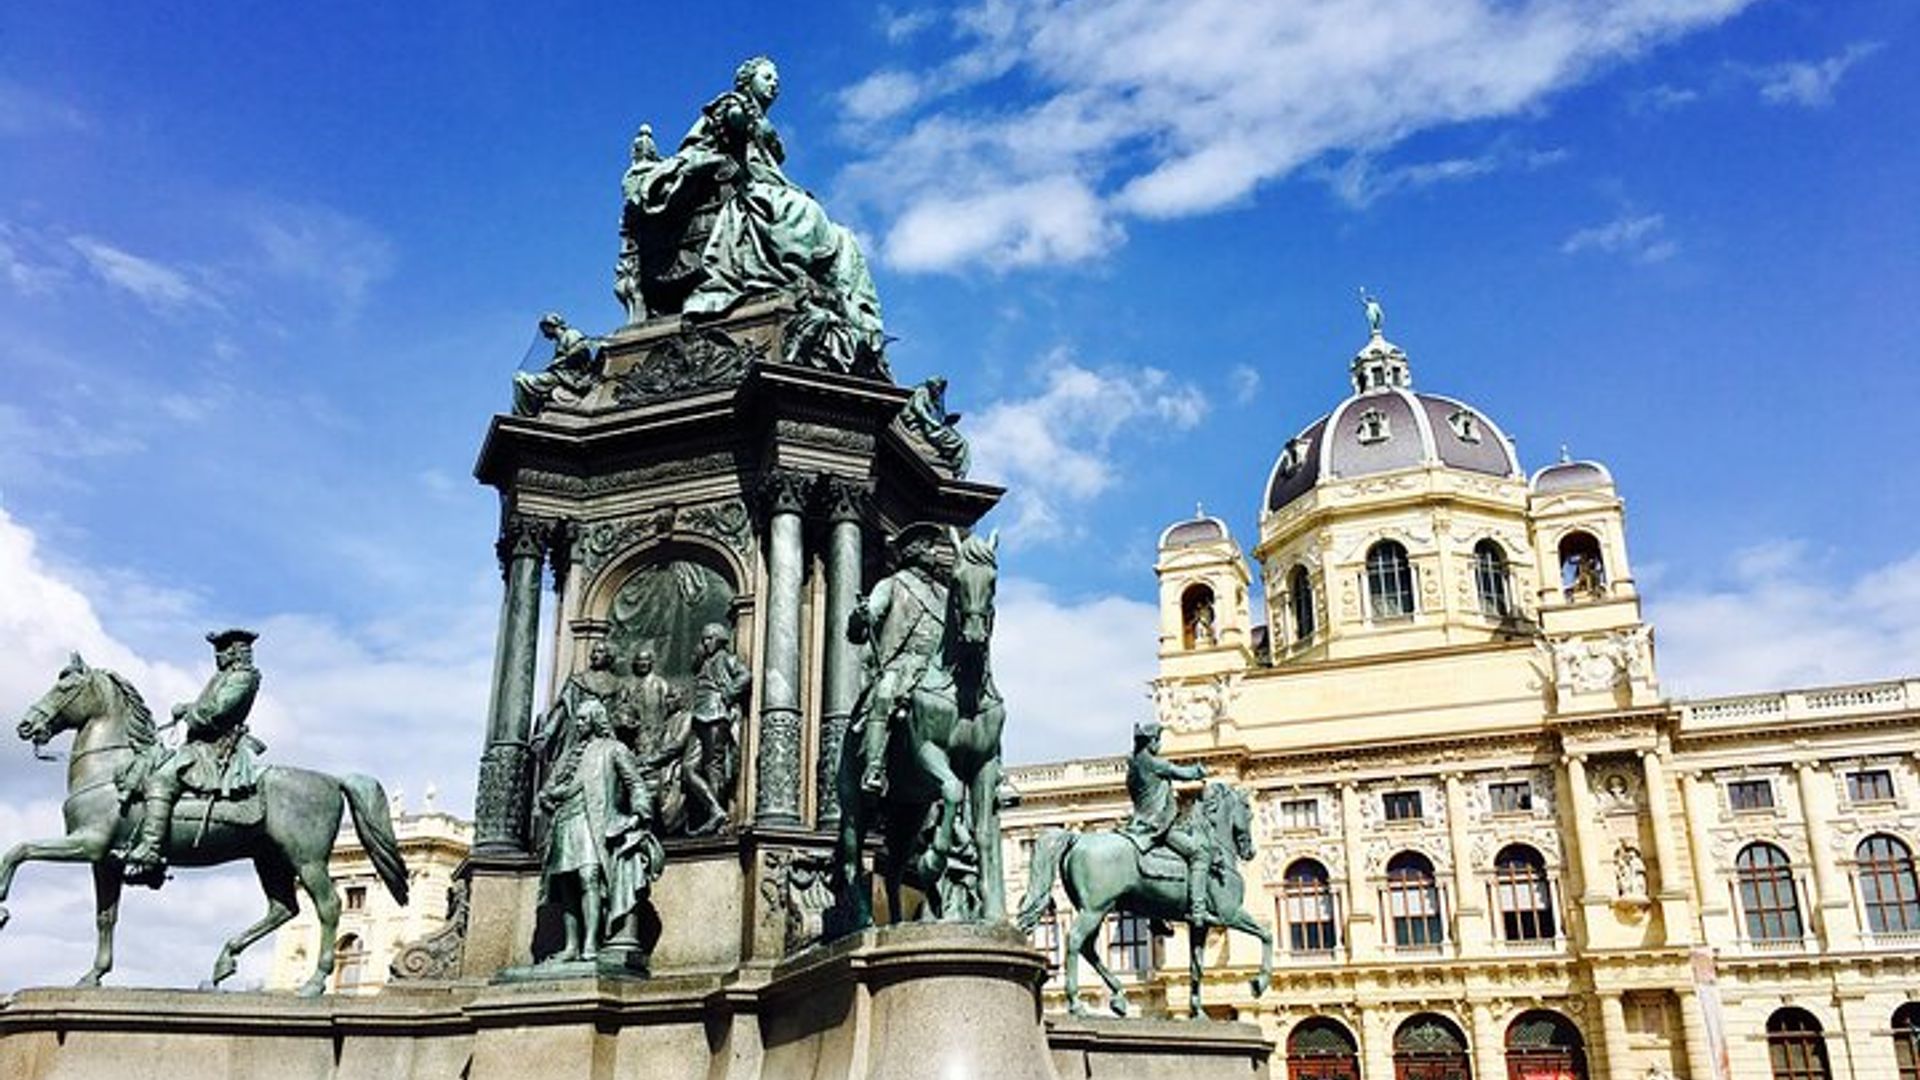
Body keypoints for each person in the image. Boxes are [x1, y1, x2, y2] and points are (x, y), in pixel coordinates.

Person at [630, 56, 882, 341]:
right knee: (800, 208)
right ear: (748, 81)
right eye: (767, 77)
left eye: (777, 80)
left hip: (765, 185)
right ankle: (790, 273)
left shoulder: (760, 118)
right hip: (743, 188)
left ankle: (847, 307)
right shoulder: (731, 104)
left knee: (843, 237)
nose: (774, 84)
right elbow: (729, 125)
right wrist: (744, 120)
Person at [121, 629, 265, 885]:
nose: (217, 656)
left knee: (160, 780)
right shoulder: (224, 676)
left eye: (221, 650)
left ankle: (151, 850)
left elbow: (218, 711)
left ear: (233, 653)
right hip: (203, 744)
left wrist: (189, 711)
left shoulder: (242, 677)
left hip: (215, 748)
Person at [536, 700, 663, 961]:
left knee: (589, 875)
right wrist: (551, 797)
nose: (578, 724)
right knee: (567, 882)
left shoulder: (614, 749)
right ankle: (571, 945)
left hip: (594, 821)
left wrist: (640, 813)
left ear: (596, 719)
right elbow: (546, 792)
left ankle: (591, 943)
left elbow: (635, 784)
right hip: (566, 820)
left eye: (583, 719)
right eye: (578, 719)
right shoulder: (568, 756)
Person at [847, 524, 949, 796]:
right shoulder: (892, 584)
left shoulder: (944, 594)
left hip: (937, 668)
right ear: (913, 551)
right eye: (928, 546)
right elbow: (870, 615)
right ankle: (874, 767)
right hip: (903, 664)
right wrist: (863, 615)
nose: (934, 552)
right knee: (884, 694)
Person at [1121, 720, 1215, 927]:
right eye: (1157, 740)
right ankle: (1198, 910)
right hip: (1159, 825)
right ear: (1151, 742)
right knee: (1199, 854)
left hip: (1137, 824)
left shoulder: (1133, 765)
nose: (1159, 745)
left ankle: (1156, 918)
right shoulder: (1154, 763)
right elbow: (1183, 774)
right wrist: (1200, 770)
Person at [686, 623, 750, 833]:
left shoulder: (727, 659)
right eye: (703, 639)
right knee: (688, 768)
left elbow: (746, 676)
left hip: (715, 714)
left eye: (709, 638)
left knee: (714, 767)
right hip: (699, 716)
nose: (705, 643)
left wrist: (728, 693)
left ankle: (718, 817)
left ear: (720, 639)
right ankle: (715, 810)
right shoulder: (704, 662)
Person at [512, 313, 599, 417]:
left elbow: (582, 350)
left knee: (520, 379)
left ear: (550, 325)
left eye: (544, 329)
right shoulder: (560, 341)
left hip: (568, 378)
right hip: (560, 375)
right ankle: (526, 416)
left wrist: (559, 362)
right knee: (519, 378)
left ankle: (527, 416)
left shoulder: (571, 333)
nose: (544, 334)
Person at [901, 376, 971, 477]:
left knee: (963, 444)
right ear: (934, 385)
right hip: (925, 426)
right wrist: (933, 422)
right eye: (938, 388)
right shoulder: (922, 391)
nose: (939, 392)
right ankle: (955, 469)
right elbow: (919, 408)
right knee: (961, 444)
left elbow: (938, 416)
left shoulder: (933, 399)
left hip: (930, 426)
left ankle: (957, 471)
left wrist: (947, 421)